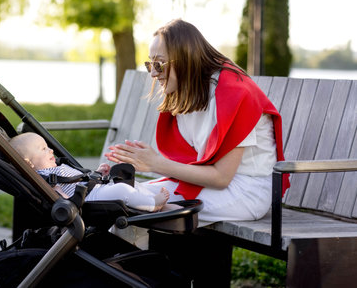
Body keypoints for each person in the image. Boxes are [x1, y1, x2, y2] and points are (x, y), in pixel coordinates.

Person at [105, 19, 289, 226]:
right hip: (209, 185)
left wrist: (155, 163)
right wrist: (123, 176)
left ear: (186, 59)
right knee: (116, 195)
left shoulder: (235, 95)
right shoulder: (189, 92)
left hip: (246, 191)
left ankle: (145, 250)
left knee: (139, 205)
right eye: (150, 64)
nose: (153, 74)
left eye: (159, 64)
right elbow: (193, 163)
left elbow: (221, 178)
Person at [9, 132, 171, 212]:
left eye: (48, 146)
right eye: (43, 149)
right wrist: (66, 203)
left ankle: (149, 199)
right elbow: (56, 196)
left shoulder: (55, 168)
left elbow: (78, 179)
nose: (50, 150)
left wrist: (97, 173)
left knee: (125, 182)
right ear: (28, 163)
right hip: (88, 199)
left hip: (95, 189)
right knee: (122, 190)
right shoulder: (43, 177)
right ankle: (151, 204)